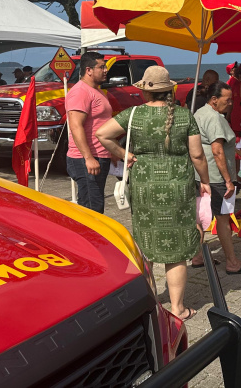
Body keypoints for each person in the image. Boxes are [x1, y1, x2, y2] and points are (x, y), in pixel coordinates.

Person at [96, 66, 211, 321]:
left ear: (144, 91)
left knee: (145, 241)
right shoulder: (184, 115)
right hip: (178, 186)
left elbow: (102, 134)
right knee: (177, 246)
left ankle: (148, 301)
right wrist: (205, 180)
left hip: (145, 185)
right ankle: (177, 308)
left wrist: (125, 154)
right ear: (169, 90)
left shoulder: (133, 114)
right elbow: (197, 155)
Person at [193, 81, 241, 275]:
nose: (231, 103)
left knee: (200, 217)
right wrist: (228, 180)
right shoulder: (214, 118)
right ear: (214, 100)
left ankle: (197, 256)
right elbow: (217, 151)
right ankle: (232, 262)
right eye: (227, 100)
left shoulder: (199, 113)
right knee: (223, 219)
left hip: (199, 174)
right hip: (216, 177)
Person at [66, 52, 112, 213]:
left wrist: (112, 151)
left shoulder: (96, 90)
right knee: (91, 209)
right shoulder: (80, 92)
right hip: (85, 159)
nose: (105, 70)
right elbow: (75, 126)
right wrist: (88, 158)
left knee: (96, 206)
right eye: (101, 67)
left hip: (99, 156)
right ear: (89, 70)